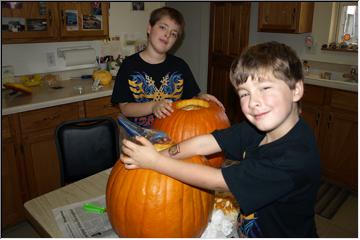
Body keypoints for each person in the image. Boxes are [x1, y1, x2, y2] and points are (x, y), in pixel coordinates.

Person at [120, 41, 321, 237]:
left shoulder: (294, 156)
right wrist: (158, 154)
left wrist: (156, 162)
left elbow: (218, 181)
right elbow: (204, 142)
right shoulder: (259, 128)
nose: (253, 103)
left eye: (265, 88)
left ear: (296, 90)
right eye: (244, 94)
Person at [111, 7, 223, 128]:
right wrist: (153, 106)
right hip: (140, 135)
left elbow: (189, 100)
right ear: (149, 28)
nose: (167, 35)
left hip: (173, 131)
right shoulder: (129, 65)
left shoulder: (180, 66)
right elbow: (125, 108)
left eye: (173, 34)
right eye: (163, 27)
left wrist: (202, 100)